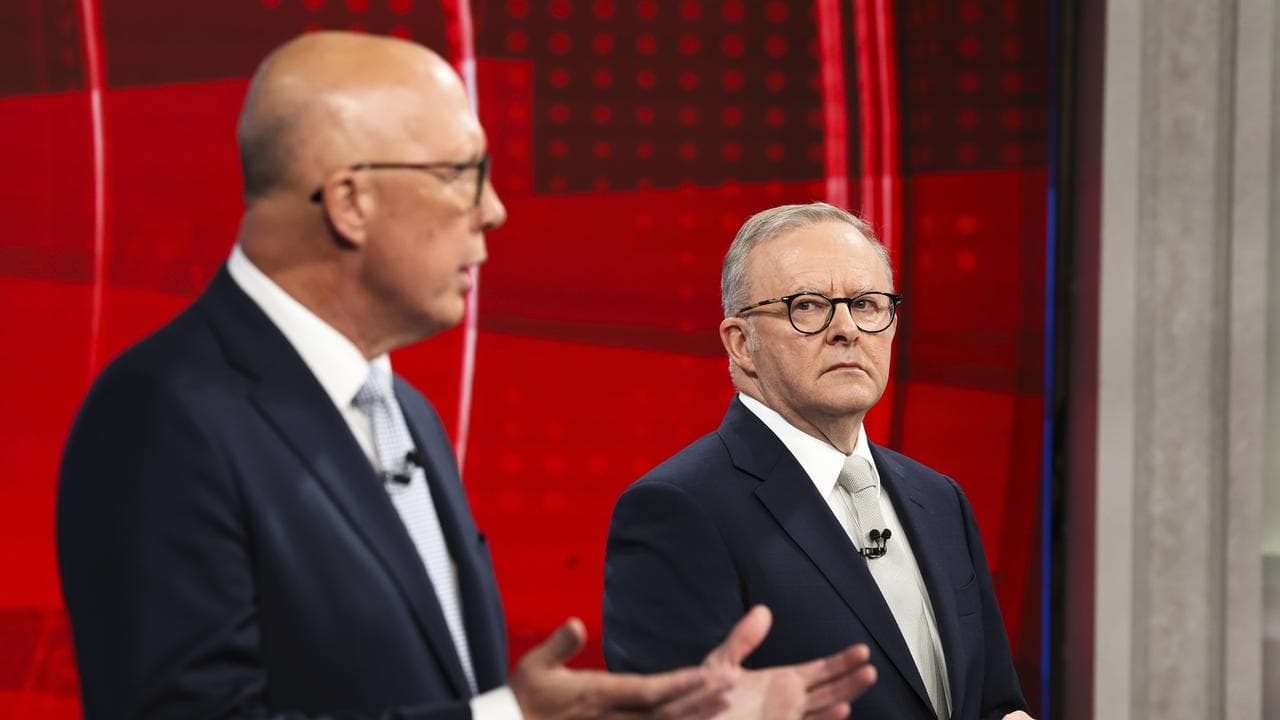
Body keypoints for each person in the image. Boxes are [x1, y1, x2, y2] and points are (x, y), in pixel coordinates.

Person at [56, 34, 877, 720]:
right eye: (461, 174)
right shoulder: (159, 415)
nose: (492, 211)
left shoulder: (402, 412)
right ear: (349, 202)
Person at [602, 203, 1034, 720]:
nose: (847, 329)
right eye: (807, 306)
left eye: (867, 304)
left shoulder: (940, 500)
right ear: (741, 343)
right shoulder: (677, 511)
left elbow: (993, 703)